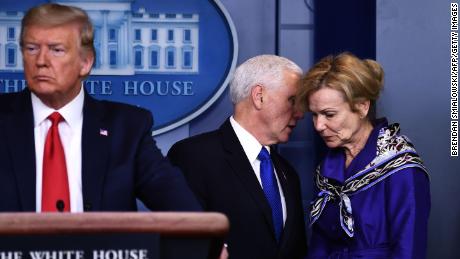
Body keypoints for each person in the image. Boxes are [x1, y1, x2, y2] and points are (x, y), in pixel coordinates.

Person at [0, 3, 201, 213]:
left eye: (56, 50)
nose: (41, 61)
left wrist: (212, 245)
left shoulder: (127, 129)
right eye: (31, 48)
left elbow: (183, 210)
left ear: (85, 63)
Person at [167, 55, 308, 259]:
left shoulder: (288, 173)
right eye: (292, 100)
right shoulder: (193, 157)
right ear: (259, 95)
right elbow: (181, 244)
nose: (300, 113)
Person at [298, 52, 430, 258]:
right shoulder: (328, 168)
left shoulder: (401, 166)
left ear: (362, 106)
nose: (318, 126)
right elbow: (319, 245)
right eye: (314, 115)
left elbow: (409, 249)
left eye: (329, 114)